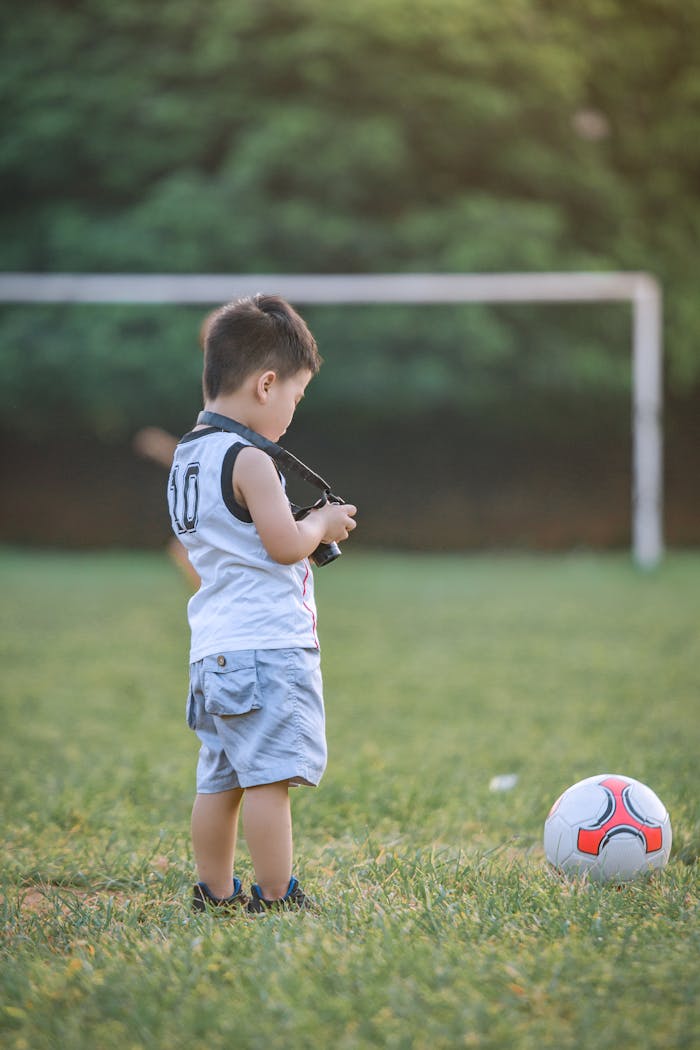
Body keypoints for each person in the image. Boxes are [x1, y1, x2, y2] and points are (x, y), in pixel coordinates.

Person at [167, 294, 357, 914]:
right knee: (269, 782)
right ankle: (276, 894)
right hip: (266, 647)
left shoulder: (186, 459)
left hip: (212, 650)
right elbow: (283, 546)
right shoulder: (250, 458)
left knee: (217, 782)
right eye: (295, 400)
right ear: (267, 384)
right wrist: (322, 524)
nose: (292, 416)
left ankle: (214, 891)